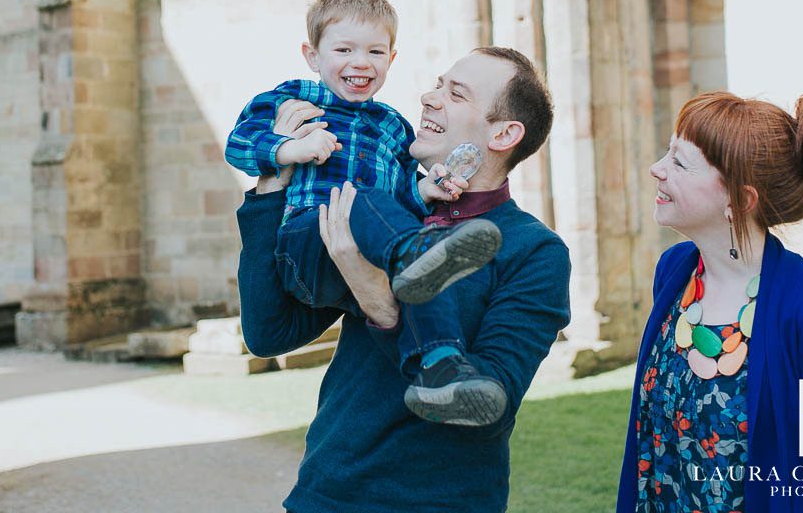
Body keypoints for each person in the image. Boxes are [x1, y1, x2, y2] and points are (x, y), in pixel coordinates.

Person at [236, 47, 571, 513]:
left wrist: (377, 297)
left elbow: (485, 410)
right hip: (326, 493)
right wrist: (272, 183)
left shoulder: (535, 252)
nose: (429, 98)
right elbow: (268, 332)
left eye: (455, 94)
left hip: (438, 502)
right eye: (438, 84)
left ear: (504, 133)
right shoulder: (390, 206)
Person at [225, 0, 507, 424]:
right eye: (344, 51)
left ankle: (438, 370)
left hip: (367, 255)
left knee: (413, 268)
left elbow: (394, 197)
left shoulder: (393, 127)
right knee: (363, 205)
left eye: (375, 52)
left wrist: (421, 192)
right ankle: (413, 254)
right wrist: (288, 149)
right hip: (307, 241)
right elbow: (239, 144)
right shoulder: (292, 99)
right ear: (313, 56)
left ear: (391, 59)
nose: (361, 63)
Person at [616, 90, 803, 512]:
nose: (656, 169)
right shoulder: (673, 273)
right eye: (667, 153)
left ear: (739, 200)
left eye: (679, 162)